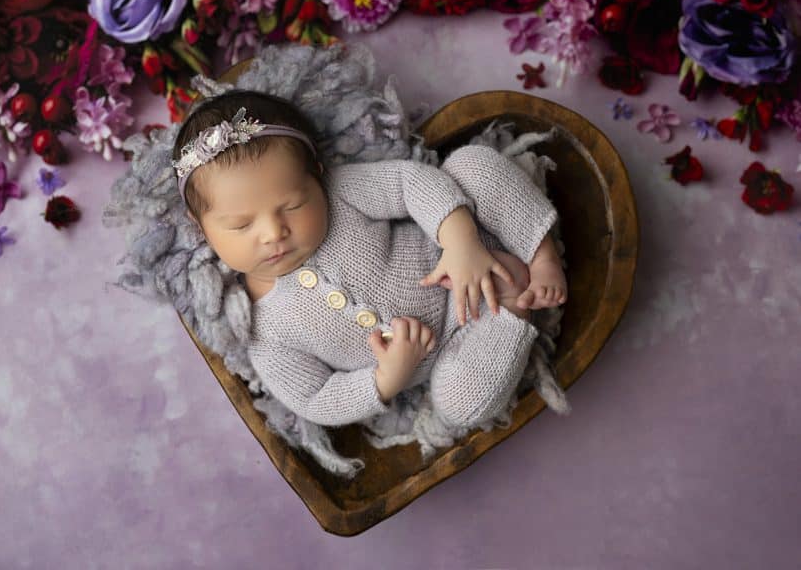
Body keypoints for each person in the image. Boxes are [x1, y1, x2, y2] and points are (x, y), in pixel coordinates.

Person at [172, 89, 567, 430]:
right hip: (458, 347)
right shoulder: (261, 329)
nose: (273, 232)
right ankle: (514, 308)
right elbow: (314, 399)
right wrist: (385, 378)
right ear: (201, 226)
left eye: (293, 204)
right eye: (241, 225)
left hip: (468, 238)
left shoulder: (340, 194)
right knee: (461, 405)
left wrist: (460, 241)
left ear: (317, 176)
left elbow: (410, 182)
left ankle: (541, 252)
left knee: (470, 165)